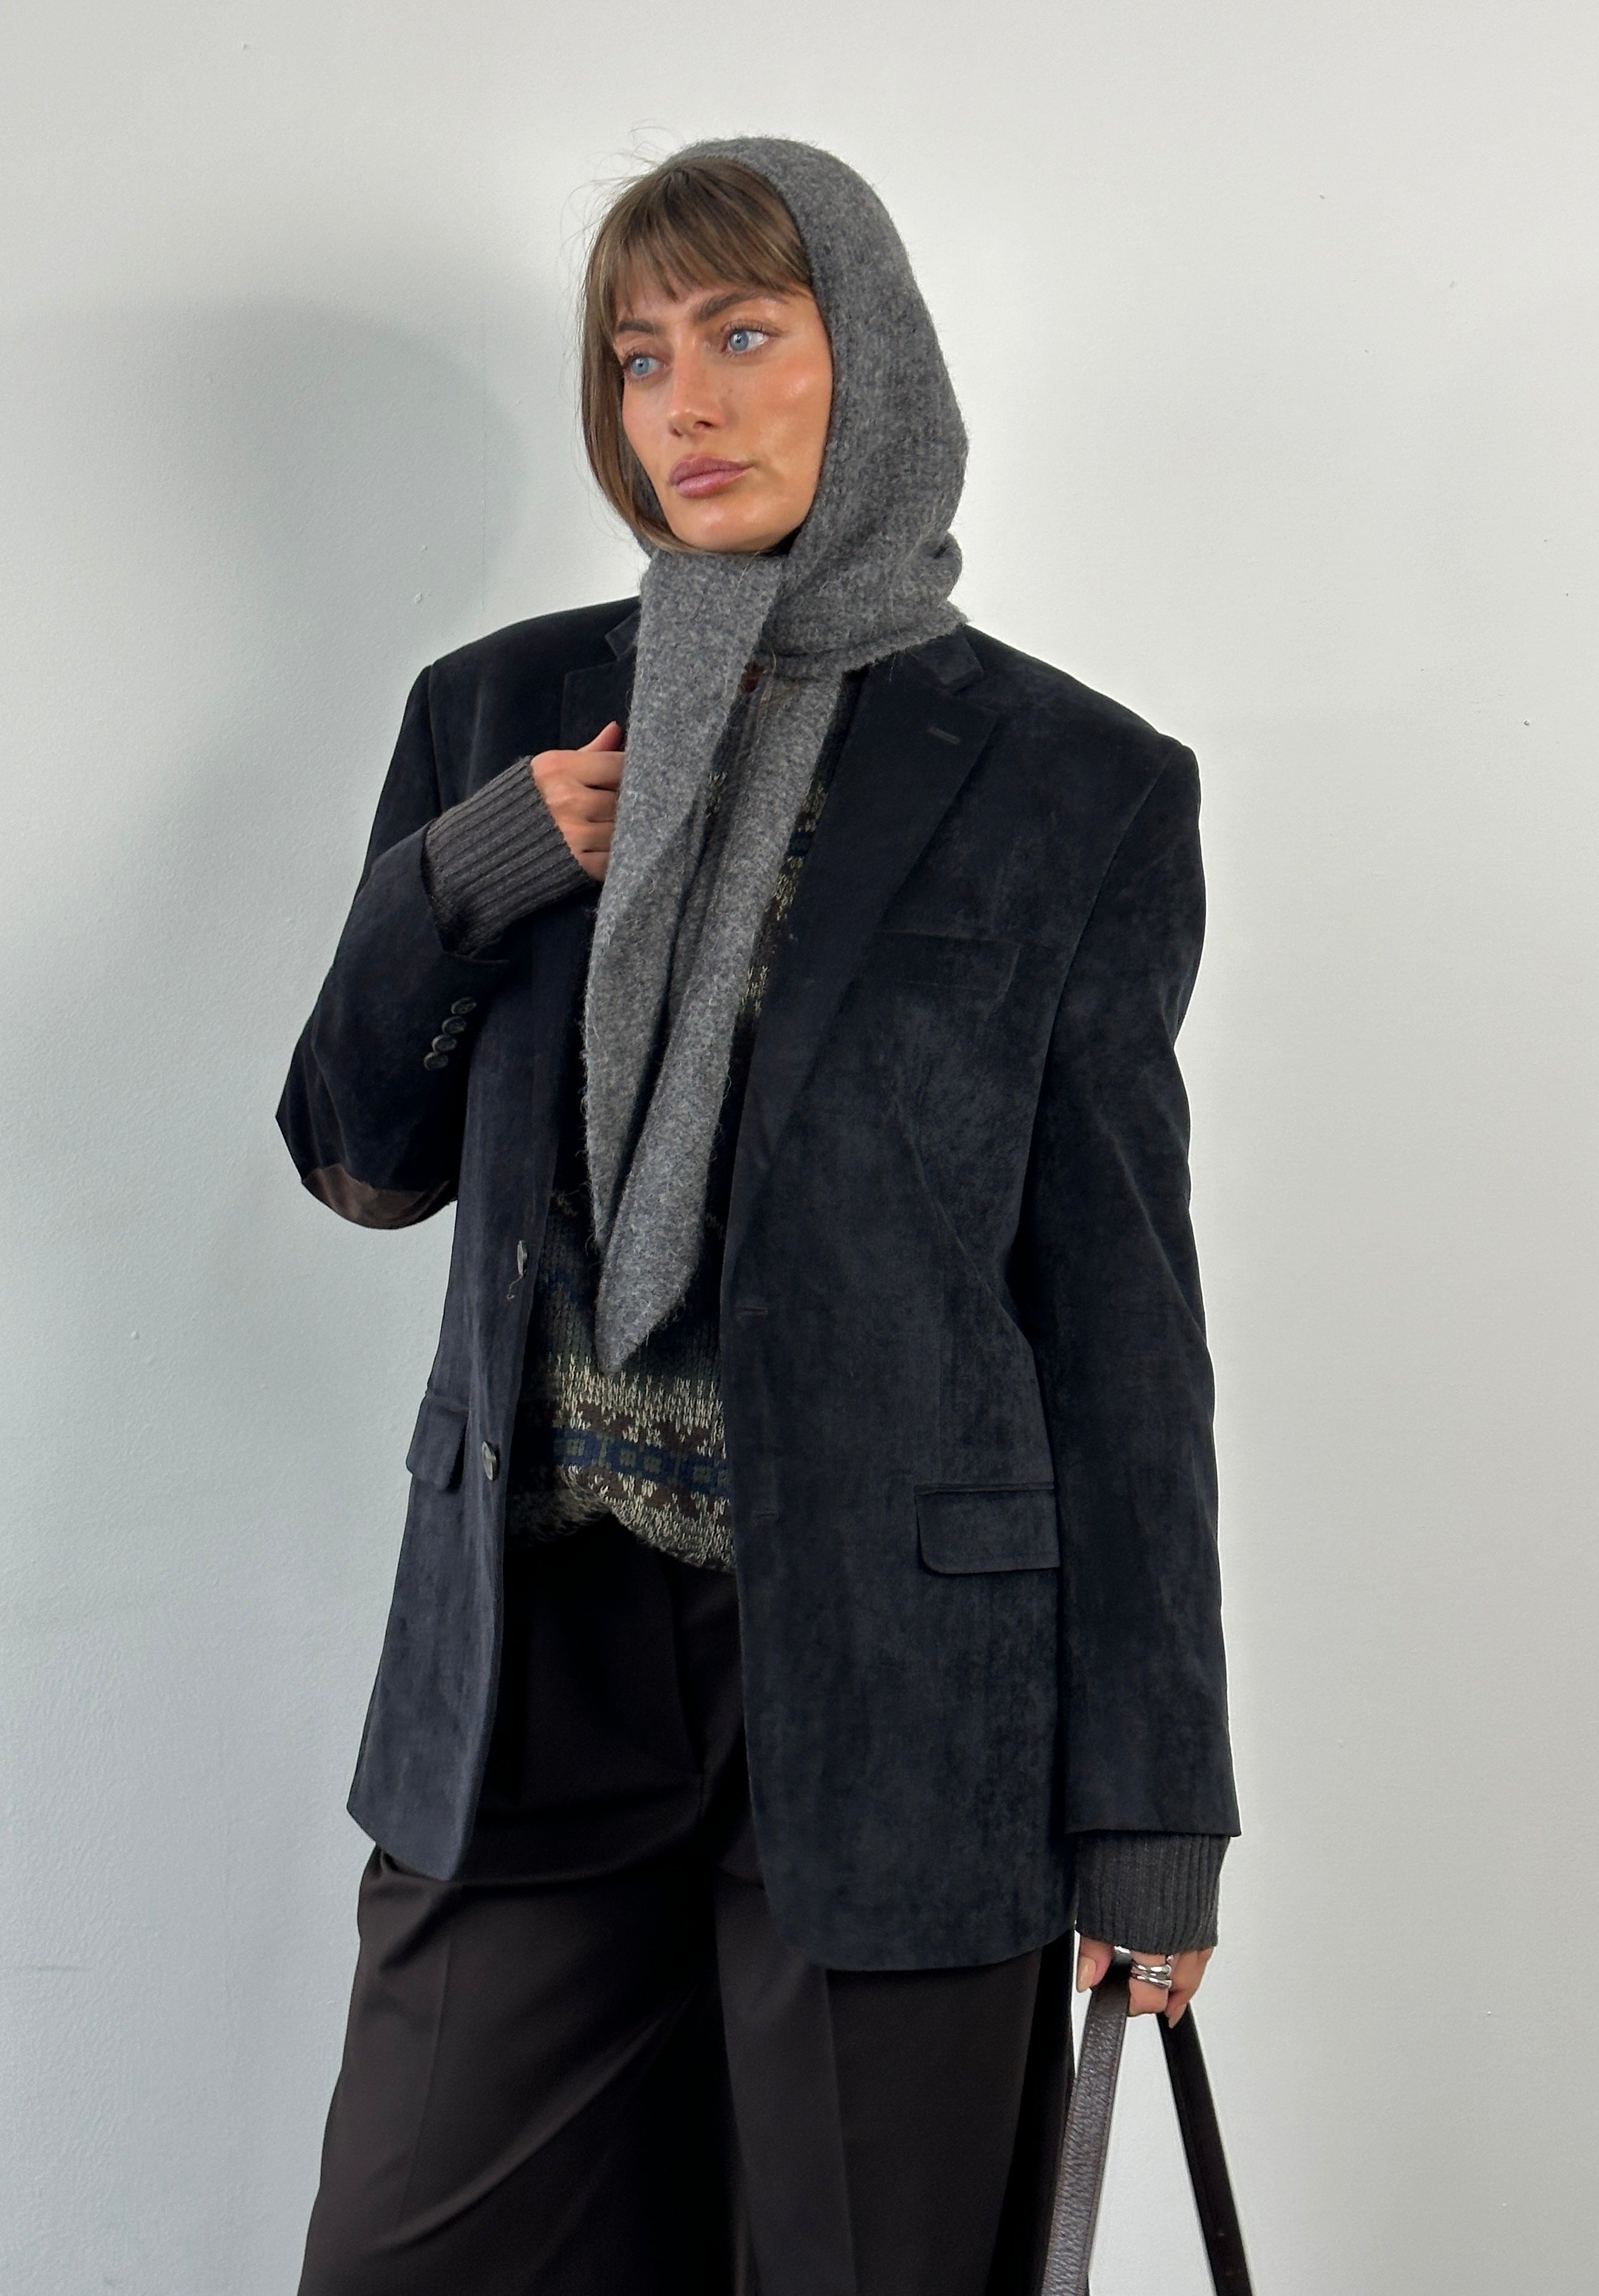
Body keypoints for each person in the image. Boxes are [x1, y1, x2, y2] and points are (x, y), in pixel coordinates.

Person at [279, 137, 1240, 2296]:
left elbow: (1118, 1328)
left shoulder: (1075, 783)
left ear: (866, 361)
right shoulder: (500, 716)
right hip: (531, 1658)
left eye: (740, 333)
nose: (684, 404)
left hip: (902, 1690)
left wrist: (1152, 1806)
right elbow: (356, 1153)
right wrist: (467, 875)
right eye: (637, 357)